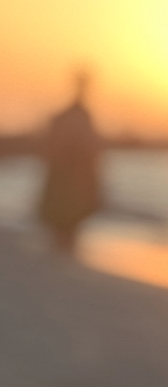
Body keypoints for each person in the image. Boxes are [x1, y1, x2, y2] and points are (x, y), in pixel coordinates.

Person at [36, 70, 103, 254]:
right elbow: (89, 154)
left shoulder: (70, 116)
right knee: (64, 231)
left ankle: (62, 258)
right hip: (68, 183)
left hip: (69, 182)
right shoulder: (73, 117)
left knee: (65, 232)